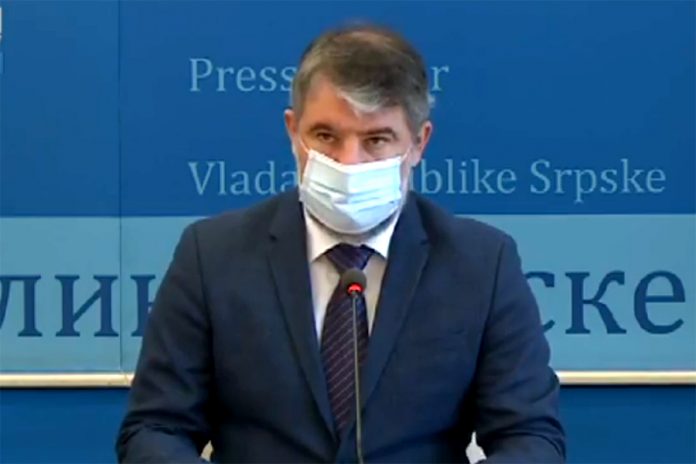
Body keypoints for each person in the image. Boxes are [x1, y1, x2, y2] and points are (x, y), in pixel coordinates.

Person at [116, 23, 565, 463]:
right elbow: (155, 429)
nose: (349, 163)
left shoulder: (481, 264)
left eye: (376, 140)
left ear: (418, 143)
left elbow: (530, 437)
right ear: (293, 132)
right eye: (326, 136)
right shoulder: (212, 255)